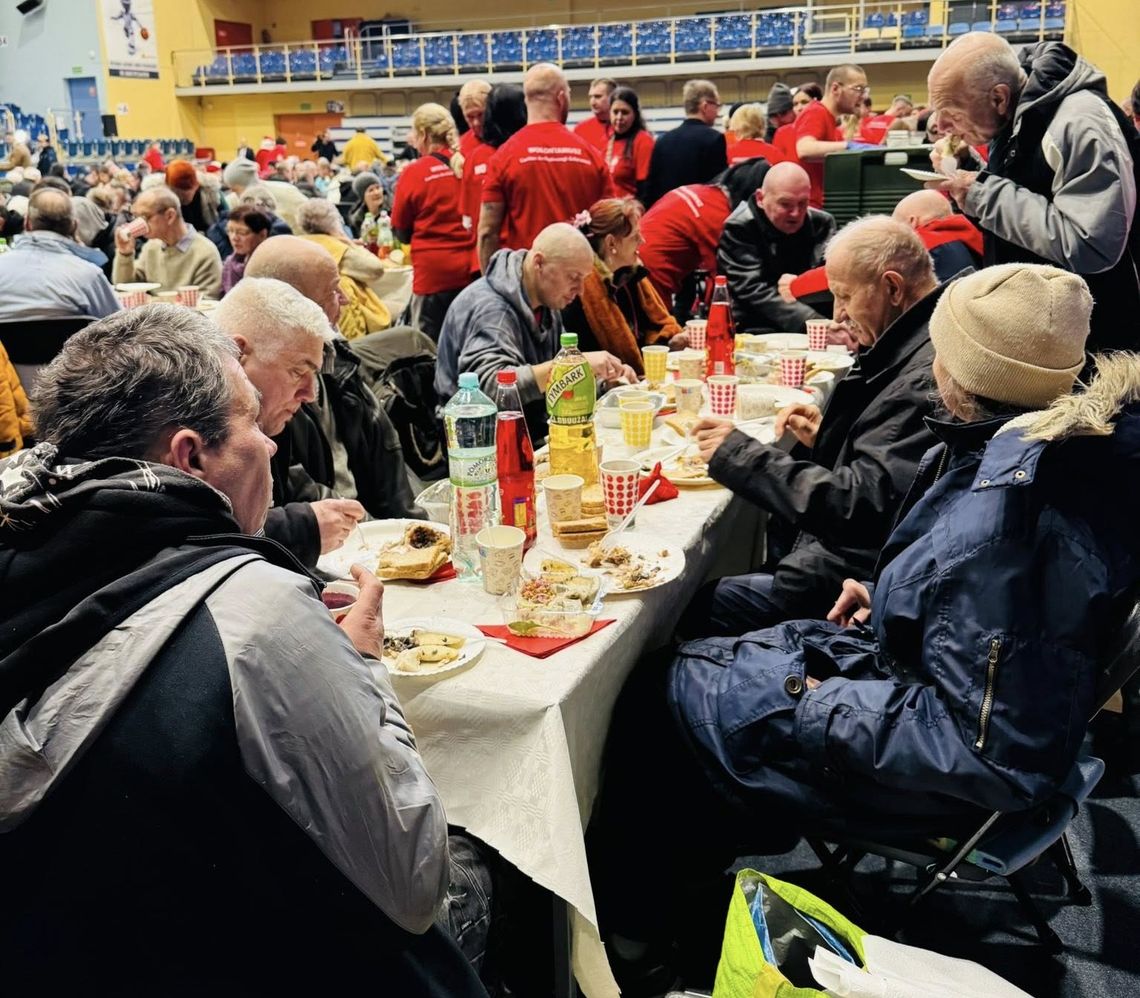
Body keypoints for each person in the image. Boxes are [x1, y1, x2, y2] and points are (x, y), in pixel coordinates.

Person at [593, 264, 1140, 991]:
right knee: (702, 664)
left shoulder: (1007, 524)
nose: (932, 363)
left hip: (945, 770)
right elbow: (984, 628)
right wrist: (892, 600)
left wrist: (816, 699)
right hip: (916, 696)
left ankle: (636, 934)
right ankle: (689, 882)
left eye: (942, 349)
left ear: (966, 371)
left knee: (662, 697)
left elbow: (987, 749)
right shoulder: (1037, 454)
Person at [0, 306, 488, 997]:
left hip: (65, 951)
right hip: (235, 957)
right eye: (253, 425)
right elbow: (414, 878)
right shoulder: (254, 615)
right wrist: (361, 667)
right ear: (190, 456)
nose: (272, 446)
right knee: (483, 859)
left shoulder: (25, 530)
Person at [689, 216, 943, 630]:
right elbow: (888, 468)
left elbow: (859, 508)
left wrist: (740, 454)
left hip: (856, 577)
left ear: (893, 288)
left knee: (704, 602)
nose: (838, 315)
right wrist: (828, 437)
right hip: (867, 563)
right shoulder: (922, 340)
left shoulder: (922, 372)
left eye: (844, 297)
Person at [927, 33, 1140, 352]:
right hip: (1046, 331)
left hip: (1097, 344)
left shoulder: (1079, 122)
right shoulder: (1017, 115)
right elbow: (1028, 195)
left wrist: (981, 193)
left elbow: (1092, 246)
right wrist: (969, 170)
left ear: (999, 97)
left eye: (953, 114)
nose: (941, 126)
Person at [244, 237, 423, 544]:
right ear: (293, 307)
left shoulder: (335, 357)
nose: (346, 299)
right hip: (341, 547)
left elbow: (387, 459)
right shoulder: (257, 393)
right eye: (332, 291)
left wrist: (412, 531)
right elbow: (295, 506)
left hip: (368, 534)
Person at [437, 222, 635, 439]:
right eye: (573, 277)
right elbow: (490, 391)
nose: (580, 291)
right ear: (539, 263)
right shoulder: (492, 311)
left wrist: (603, 383)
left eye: (584, 279)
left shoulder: (545, 300)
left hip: (530, 431)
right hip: (478, 446)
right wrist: (575, 367)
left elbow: (553, 380)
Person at [477, 63, 613, 272]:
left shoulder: (503, 157)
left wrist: (493, 285)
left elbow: (487, 232)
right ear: (561, 98)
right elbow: (610, 225)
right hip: (581, 283)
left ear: (527, 101)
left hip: (528, 283)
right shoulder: (592, 155)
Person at [780, 189, 983, 311]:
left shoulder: (923, 242)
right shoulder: (970, 241)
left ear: (912, 223)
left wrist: (796, 286)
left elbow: (855, 268)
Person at [560, 198, 682, 375]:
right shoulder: (579, 293)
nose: (642, 241)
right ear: (611, 243)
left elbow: (648, 335)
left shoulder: (630, 277)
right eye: (635, 237)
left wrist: (671, 343)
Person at [637, 159, 772, 313]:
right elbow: (722, 282)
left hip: (632, 261)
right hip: (651, 279)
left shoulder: (700, 191)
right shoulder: (721, 218)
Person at [716, 162, 835, 333]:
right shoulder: (740, 227)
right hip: (753, 323)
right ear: (760, 199)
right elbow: (752, 290)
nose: (795, 213)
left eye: (803, 203)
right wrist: (814, 323)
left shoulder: (822, 223)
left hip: (815, 319)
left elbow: (830, 279)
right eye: (785, 204)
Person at [390, 103, 473, 342]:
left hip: (433, 277)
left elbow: (401, 231)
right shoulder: (468, 164)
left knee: (429, 349)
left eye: (414, 134)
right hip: (470, 272)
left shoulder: (415, 172)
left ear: (424, 135)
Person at [0, 188, 120, 321]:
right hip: (71, 342)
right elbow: (118, 326)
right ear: (74, 226)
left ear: (27, 223)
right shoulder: (89, 275)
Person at [294, 199, 392, 339]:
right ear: (335, 221)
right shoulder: (338, 248)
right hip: (344, 331)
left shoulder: (299, 242)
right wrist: (347, 240)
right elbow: (376, 269)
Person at [112, 186, 223, 299]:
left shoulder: (205, 252)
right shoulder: (151, 247)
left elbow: (208, 302)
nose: (139, 222)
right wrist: (125, 254)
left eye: (145, 217)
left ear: (170, 215)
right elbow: (125, 289)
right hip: (155, 314)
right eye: (136, 217)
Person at [642, 80, 728, 207]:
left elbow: (651, 189)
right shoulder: (715, 139)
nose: (717, 112)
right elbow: (716, 190)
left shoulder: (663, 141)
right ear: (704, 106)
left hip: (666, 214)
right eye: (716, 105)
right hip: (697, 216)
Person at [795, 64, 869, 208]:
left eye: (865, 90)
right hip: (810, 208)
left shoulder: (830, 121)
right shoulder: (816, 112)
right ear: (835, 89)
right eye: (858, 89)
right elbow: (804, 149)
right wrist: (849, 147)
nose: (863, 96)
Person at [605, 86, 655, 200]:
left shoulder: (643, 141)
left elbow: (645, 189)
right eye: (615, 112)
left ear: (635, 115)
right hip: (610, 213)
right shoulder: (607, 141)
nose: (619, 117)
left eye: (625, 112)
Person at [220, 204, 272, 295]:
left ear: (262, 234)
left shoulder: (272, 266)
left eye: (242, 232)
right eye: (230, 231)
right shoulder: (230, 263)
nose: (234, 238)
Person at [165, 160, 223, 233]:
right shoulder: (159, 198)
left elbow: (225, 218)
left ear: (196, 185)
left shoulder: (211, 192)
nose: (181, 196)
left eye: (185, 191)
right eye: (177, 192)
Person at [574, 77, 617, 153]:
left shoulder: (624, 127)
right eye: (590, 97)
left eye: (598, 96)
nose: (592, 102)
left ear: (613, 97)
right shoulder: (580, 129)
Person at [457, 79, 492, 158]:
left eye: (480, 114)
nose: (476, 123)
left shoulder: (508, 139)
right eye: (469, 117)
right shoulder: (460, 148)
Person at [348, 171, 385, 236]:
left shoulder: (393, 210)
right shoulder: (357, 219)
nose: (376, 192)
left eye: (378, 187)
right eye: (371, 190)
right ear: (363, 196)